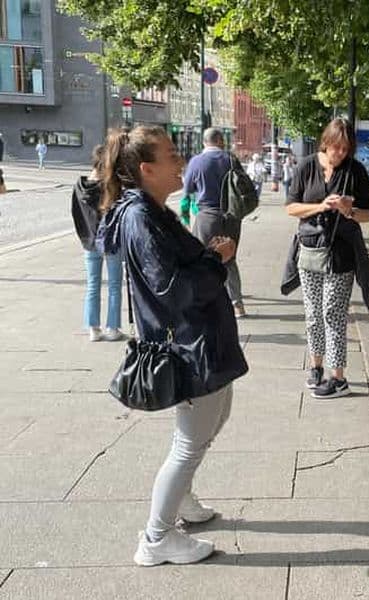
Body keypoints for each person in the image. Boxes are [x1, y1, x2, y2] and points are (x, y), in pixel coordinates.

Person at [96, 126, 248, 566]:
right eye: (170, 155)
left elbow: (174, 273)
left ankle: (180, 499)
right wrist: (216, 260)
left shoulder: (152, 210)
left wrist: (206, 255)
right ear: (146, 169)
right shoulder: (141, 217)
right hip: (187, 345)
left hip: (200, 340)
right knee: (189, 443)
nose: (180, 161)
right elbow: (175, 290)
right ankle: (156, 538)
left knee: (214, 419)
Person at [285, 117, 369, 398]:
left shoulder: (355, 171)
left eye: (345, 149)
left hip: (341, 253)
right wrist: (320, 206)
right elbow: (290, 208)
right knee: (312, 314)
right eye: (336, 147)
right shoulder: (307, 166)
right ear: (326, 142)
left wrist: (348, 210)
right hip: (309, 250)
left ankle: (338, 378)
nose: (340, 154)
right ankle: (316, 366)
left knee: (332, 314)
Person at [183, 127, 250, 318]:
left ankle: (203, 300)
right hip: (231, 217)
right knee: (229, 259)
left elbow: (187, 188)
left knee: (203, 259)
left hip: (207, 216)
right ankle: (238, 305)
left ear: (204, 142)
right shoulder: (231, 159)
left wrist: (186, 213)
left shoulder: (196, 162)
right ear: (220, 141)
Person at [71, 144, 124, 342]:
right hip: (111, 241)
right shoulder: (110, 184)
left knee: (93, 284)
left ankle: (93, 328)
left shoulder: (79, 185)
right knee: (114, 284)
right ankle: (113, 328)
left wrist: (85, 235)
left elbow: (75, 213)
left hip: (89, 241)